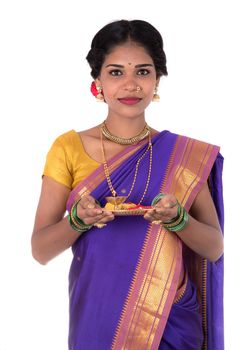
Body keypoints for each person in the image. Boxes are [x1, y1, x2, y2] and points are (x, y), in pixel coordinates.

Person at [31, 19, 224, 350]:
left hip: (170, 316)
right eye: (116, 72)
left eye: (143, 72)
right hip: (98, 316)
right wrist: (77, 222)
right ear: (98, 81)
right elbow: (41, 249)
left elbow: (214, 246)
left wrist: (179, 220)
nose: (131, 84)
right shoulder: (68, 148)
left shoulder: (181, 156)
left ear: (157, 80)